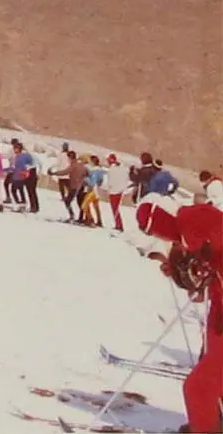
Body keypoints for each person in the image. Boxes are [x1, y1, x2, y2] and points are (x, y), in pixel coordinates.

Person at [136, 198, 223, 433]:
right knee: (209, 382)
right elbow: (202, 282)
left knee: (199, 387)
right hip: (218, 318)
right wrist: (181, 272)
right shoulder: (192, 236)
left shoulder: (197, 222)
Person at [103, 153, 130, 231]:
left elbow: (110, 182)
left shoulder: (111, 170)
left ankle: (119, 225)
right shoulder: (123, 168)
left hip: (113, 191)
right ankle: (118, 224)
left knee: (115, 208)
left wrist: (108, 189)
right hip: (120, 191)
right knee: (116, 208)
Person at [81, 155, 105, 227]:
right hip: (97, 190)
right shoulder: (101, 170)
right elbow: (101, 181)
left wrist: (85, 178)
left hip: (92, 190)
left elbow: (92, 182)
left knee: (84, 205)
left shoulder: (94, 171)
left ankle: (91, 220)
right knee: (96, 206)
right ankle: (99, 221)